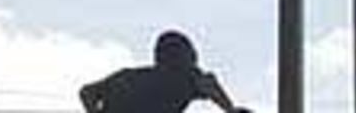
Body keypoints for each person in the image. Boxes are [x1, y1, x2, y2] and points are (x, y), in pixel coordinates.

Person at [79, 31, 244, 113]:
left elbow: (87, 91)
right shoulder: (184, 78)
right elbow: (209, 83)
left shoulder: (126, 76)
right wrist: (231, 110)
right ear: (187, 56)